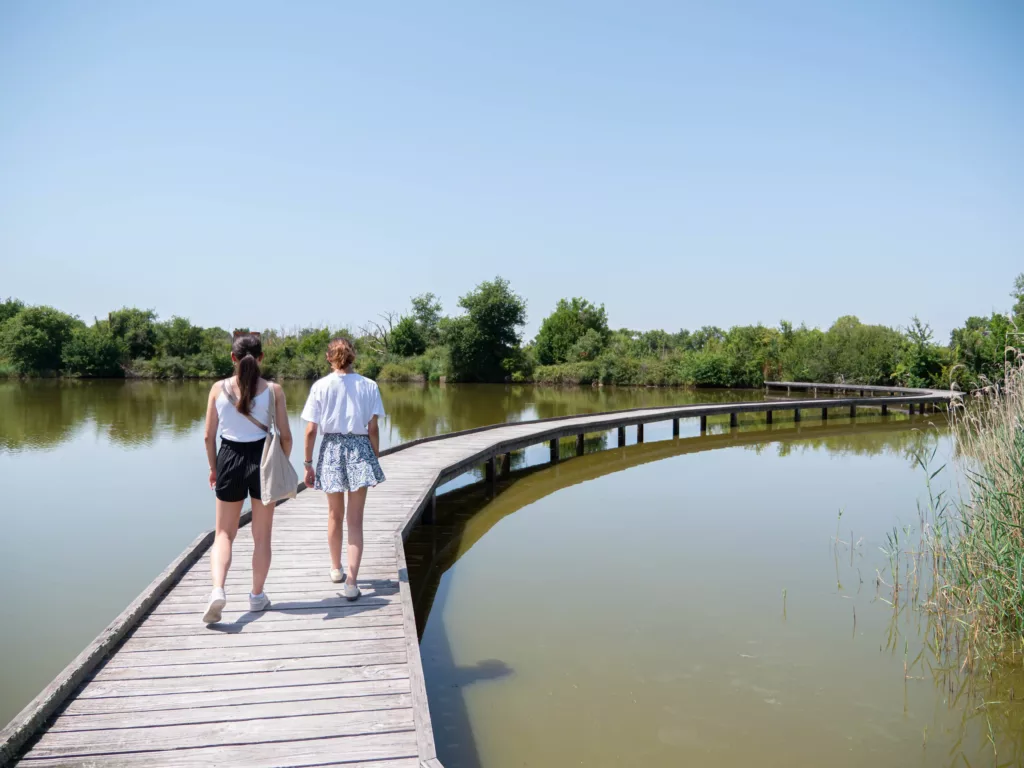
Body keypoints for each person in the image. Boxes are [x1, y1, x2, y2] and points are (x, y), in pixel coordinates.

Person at [201, 332, 291, 624]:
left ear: (233, 358)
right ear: (261, 358)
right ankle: (256, 597)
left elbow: (208, 436)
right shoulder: (274, 390)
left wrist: (214, 468)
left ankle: (218, 590)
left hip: (228, 458)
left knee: (224, 533)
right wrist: (280, 465)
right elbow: (286, 438)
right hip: (262, 460)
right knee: (262, 536)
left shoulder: (217, 388)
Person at [301, 337, 386, 600]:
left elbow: (311, 430)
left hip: (331, 449)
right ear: (353, 357)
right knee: (356, 520)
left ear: (329, 357)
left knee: (334, 515)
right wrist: (374, 459)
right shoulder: (369, 385)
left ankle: (336, 569)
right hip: (360, 447)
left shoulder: (320, 386)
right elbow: (373, 429)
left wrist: (307, 463)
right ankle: (351, 582)